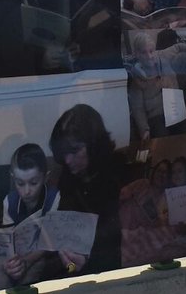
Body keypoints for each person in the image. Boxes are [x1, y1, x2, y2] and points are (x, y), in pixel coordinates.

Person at [50, 104, 122, 275]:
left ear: (94, 145)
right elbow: (65, 226)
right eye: (64, 152)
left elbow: (116, 239)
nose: (67, 160)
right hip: (75, 266)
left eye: (74, 151)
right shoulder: (68, 177)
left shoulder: (116, 175)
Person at [0, 144, 61, 290]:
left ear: (45, 177)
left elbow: (50, 241)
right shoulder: (9, 201)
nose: (27, 191)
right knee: (1, 268)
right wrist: (11, 263)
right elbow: (7, 238)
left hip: (38, 252)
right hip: (15, 250)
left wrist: (26, 261)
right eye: (20, 183)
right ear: (13, 178)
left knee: (32, 273)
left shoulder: (54, 197)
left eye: (33, 183)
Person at [126, 30, 186, 141]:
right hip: (156, 116)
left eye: (151, 51)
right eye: (144, 52)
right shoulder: (137, 79)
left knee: (185, 135)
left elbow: (179, 47)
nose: (149, 56)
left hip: (175, 109)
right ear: (137, 54)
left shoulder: (164, 55)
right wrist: (144, 129)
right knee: (162, 138)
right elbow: (137, 108)